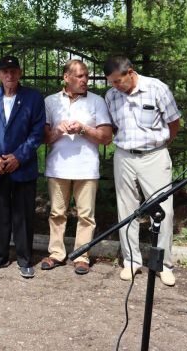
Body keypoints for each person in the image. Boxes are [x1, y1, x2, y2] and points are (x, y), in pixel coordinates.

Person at [104, 55, 181, 286]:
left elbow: (174, 122)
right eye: (111, 82)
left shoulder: (156, 88)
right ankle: (131, 261)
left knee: (162, 211)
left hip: (154, 156)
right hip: (124, 156)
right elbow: (114, 127)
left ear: (131, 72)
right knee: (126, 210)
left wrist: (162, 145)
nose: (115, 86)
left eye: (118, 81)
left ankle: (163, 264)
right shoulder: (111, 96)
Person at [41, 60, 112, 275]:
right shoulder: (51, 101)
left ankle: (82, 256)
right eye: (79, 76)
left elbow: (107, 138)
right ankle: (56, 253)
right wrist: (58, 131)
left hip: (86, 168)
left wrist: (83, 129)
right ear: (66, 78)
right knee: (57, 213)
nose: (84, 80)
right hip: (58, 168)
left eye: (86, 76)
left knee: (86, 216)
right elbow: (44, 138)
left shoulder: (96, 102)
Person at [0, 56, 45, 277]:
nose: (9, 75)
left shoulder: (33, 98)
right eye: (5, 71)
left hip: (22, 167)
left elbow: (37, 132)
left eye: (13, 71)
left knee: (23, 216)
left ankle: (24, 258)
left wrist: (18, 156)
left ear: (20, 73)